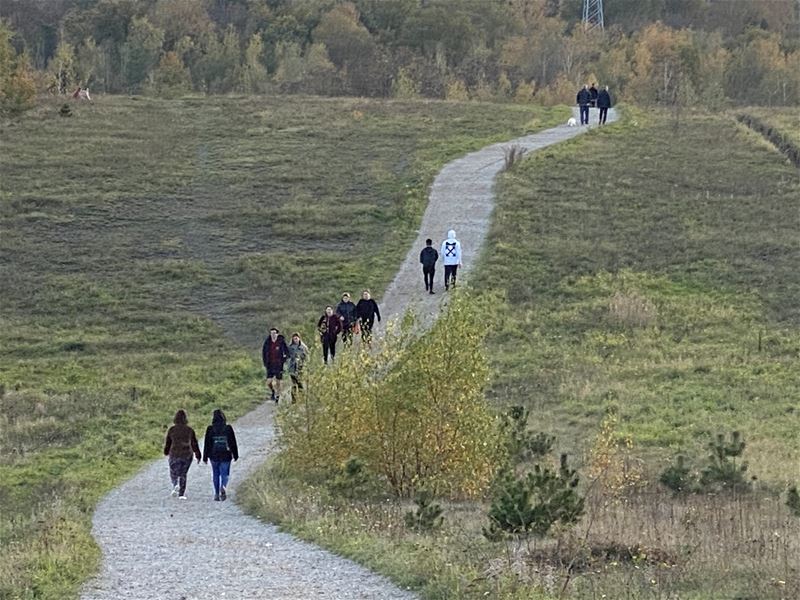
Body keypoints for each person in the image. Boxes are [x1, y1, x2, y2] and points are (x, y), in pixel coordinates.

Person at [163, 409, 201, 500]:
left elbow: (168, 442)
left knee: (174, 471)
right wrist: (198, 454)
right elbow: (194, 443)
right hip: (187, 454)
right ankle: (181, 493)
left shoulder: (172, 430)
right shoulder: (189, 430)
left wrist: (166, 451)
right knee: (183, 474)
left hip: (174, 453)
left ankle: (175, 484)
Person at [202, 409, 238, 501]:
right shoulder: (228, 428)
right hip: (226, 454)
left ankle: (217, 494)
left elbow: (207, 443)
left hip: (214, 455)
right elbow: (232, 442)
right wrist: (235, 454)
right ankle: (224, 487)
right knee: (225, 473)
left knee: (215, 474)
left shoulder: (210, 429)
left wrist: (205, 457)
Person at [262, 328, 289, 403]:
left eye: (274, 333)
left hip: (278, 364)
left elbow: (286, 351)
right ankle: (273, 391)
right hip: (270, 364)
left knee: (278, 381)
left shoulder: (281, 341)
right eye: (271, 333)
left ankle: (278, 396)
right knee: (268, 382)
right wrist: (265, 362)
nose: (273, 335)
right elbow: (264, 352)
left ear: (277, 334)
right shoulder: (267, 342)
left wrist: (284, 359)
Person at [286, 332, 309, 398]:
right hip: (292, 367)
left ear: (299, 338)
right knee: (293, 384)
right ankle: (294, 399)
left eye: (296, 338)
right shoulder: (290, 347)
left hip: (300, 367)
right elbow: (287, 356)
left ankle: (301, 397)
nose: (295, 340)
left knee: (299, 382)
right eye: (294, 338)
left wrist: (305, 363)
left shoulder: (303, 347)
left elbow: (307, 356)